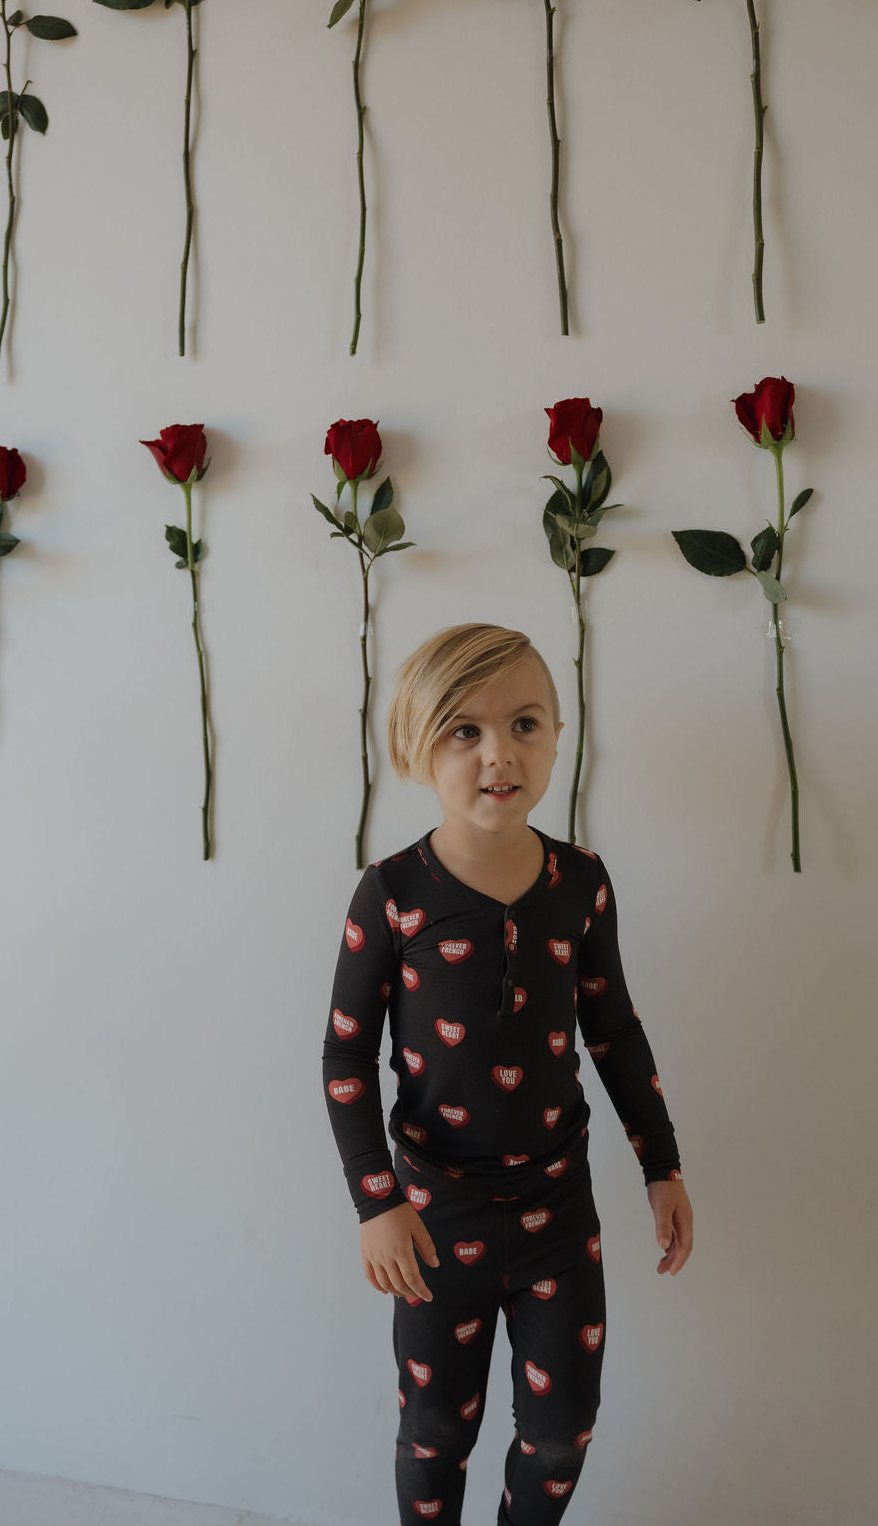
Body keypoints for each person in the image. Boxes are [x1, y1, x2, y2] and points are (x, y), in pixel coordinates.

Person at [322, 622, 693, 1526]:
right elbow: (344, 1054)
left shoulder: (582, 883)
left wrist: (663, 1166)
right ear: (418, 745)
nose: (500, 753)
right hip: (431, 1222)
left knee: (563, 1429)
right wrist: (377, 1201)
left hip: (559, 1214)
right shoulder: (392, 891)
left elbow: (613, 1029)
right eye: (465, 730)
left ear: (560, 736)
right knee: (436, 1433)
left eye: (526, 724)